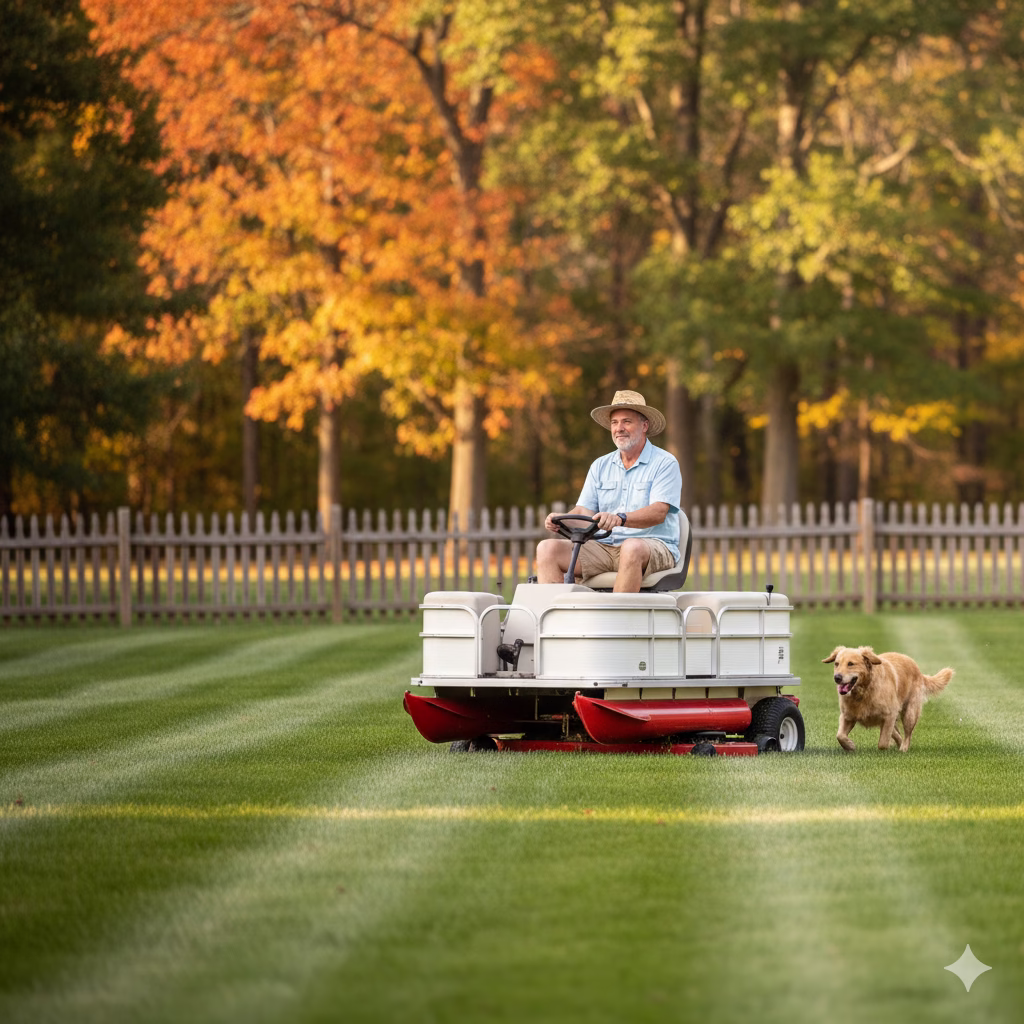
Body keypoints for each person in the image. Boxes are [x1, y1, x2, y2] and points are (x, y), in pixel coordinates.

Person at [536, 389, 683, 592]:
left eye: (627, 421)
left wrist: (620, 518)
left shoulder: (665, 463)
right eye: (614, 423)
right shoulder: (600, 465)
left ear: (644, 426)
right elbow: (583, 512)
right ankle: (559, 620)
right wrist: (560, 519)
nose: (619, 428)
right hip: (606, 546)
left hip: (653, 546)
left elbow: (658, 513)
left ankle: (619, 622)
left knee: (632, 547)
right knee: (547, 548)